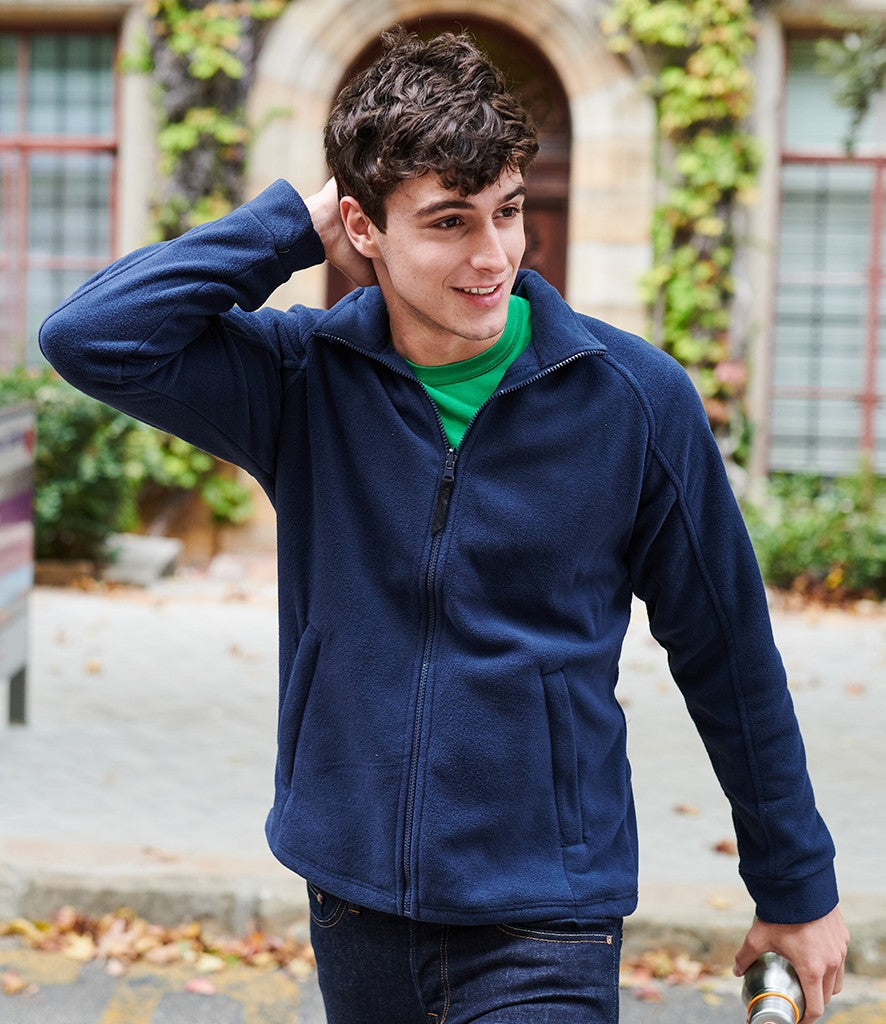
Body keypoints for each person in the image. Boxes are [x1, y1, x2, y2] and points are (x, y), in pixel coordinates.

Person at [40, 28, 848, 1024]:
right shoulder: (300, 383)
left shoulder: (632, 401)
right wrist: (292, 226)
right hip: (355, 900)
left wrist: (795, 885)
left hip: (545, 910)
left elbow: (730, 652)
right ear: (362, 225)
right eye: (449, 222)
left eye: (507, 211)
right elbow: (90, 336)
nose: (492, 255)